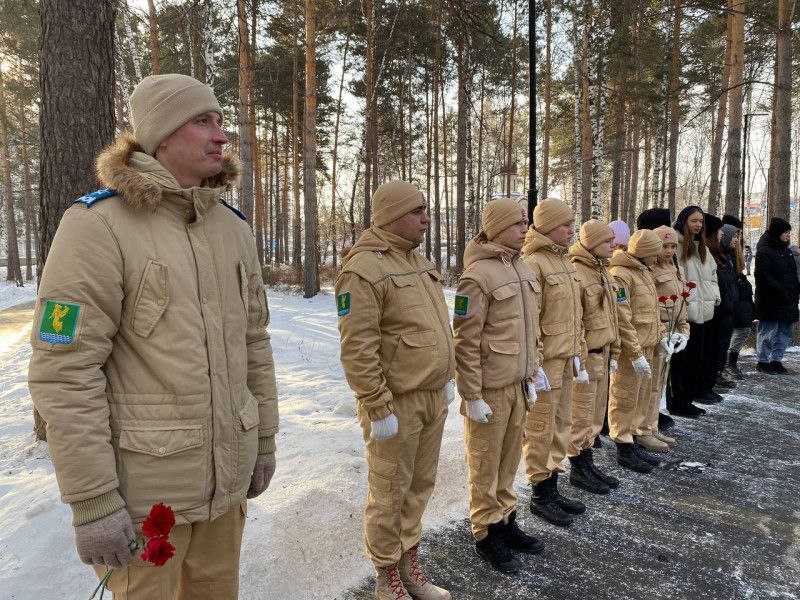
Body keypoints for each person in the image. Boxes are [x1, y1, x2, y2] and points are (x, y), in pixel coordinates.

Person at [28, 74, 279, 598]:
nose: (222, 135)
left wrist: (263, 441)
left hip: (224, 492)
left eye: (220, 120)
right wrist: (93, 500)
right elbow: (64, 369)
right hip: (147, 503)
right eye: (203, 122)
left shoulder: (232, 229)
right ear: (163, 136)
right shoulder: (97, 225)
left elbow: (254, 344)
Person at [336, 180, 454, 600]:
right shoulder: (363, 269)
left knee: (420, 486)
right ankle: (386, 577)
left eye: (426, 210)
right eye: (417, 210)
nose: (426, 218)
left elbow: (434, 327)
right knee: (389, 491)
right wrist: (376, 405)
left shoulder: (418, 262)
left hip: (432, 396)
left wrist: (447, 377)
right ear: (391, 215)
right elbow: (358, 348)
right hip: (395, 404)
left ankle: (409, 566)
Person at [453, 198, 543, 574]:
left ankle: (506, 519)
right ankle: (486, 531)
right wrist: (471, 394)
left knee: (509, 460)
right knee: (485, 464)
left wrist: (534, 370)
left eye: (526, 222)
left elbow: (531, 328)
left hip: (519, 384)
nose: (525, 228)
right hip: (490, 390)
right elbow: (465, 339)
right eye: (517, 223)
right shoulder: (476, 277)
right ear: (497, 227)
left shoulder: (522, 268)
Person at [522, 198, 587, 527]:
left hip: (565, 358)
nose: (570, 229)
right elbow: (530, 321)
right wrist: (534, 366)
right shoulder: (534, 263)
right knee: (541, 428)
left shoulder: (566, 262)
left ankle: (553, 485)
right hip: (545, 362)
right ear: (546, 225)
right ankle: (540, 493)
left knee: (561, 425)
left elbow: (575, 316)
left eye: (571, 222)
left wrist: (579, 351)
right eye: (564, 223)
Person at [567, 220, 621, 494]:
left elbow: (612, 315)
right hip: (586, 356)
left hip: (603, 352)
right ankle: (578, 467)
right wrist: (579, 357)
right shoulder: (577, 271)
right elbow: (575, 321)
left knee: (594, 416)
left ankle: (587, 462)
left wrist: (616, 349)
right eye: (606, 241)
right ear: (591, 243)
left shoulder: (602, 271)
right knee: (581, 415)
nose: (612, 245)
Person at [608, 230, 667, 473]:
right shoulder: (621, 275)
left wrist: (662, 336)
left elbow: (653, 311)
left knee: (641, 397)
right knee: (625, 397)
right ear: (644, 253)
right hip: (631, 351)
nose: (658, 257)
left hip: (648, 345)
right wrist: (634, 352)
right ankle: (623, 443)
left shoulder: (644, 272)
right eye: (654, 253)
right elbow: (623, 317)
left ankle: (633, 439)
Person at [668, 206, 720, 418]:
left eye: (700, 221)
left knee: (695, 361)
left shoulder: (703, 248)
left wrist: (715, 296)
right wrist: (684, 303)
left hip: (703, 315)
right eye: (693, 221)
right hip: (684, 315)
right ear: (684, 221)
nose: (698, 225)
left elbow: (713, 276)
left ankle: (688, 399)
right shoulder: (677, 247)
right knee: (680, 363)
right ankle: (678, 402)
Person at [641, 225, 689, 451]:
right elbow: (648, 307)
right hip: (656, 332)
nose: (668, 251)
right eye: (664, 246)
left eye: (672, 246)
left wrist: (684, 331)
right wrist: (662, 333)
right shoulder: (649, 270)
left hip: (672, 331)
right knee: (650, 385)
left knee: (659, 385)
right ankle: (644, 428)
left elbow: (681, 302)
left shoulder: (675, 268)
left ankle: (652, 426)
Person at [695, 217, 738, 403]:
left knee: (718, 351)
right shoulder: (708, 255)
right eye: (719, 232)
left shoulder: (723, 257)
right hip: (714, 312)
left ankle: (709, 385)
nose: (723, 235)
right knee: (709, 352)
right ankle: (703, 387)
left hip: (724, 310)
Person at [754, 217, 800, 375]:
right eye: (785, 232)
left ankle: (776, 360)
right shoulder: (765, 250)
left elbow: (793, 274)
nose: (788, 235)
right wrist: (780, 289)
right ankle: (763, 361)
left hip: (789, 299)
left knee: (785, 331)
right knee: (768, 330)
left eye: (789, 232)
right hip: (771, 299)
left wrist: (795, 289)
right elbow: (762, 275)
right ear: (777, 233)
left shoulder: (786, 250)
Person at [727, 235, 755, 380]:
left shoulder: (734, 256)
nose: (736, 239)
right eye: (734, 236)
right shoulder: (726, 256)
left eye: (738, 236)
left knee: (743, 330)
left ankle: (731, 362)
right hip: (734, 302)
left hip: (742, 303)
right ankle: (728, 363)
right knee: (738, 331)